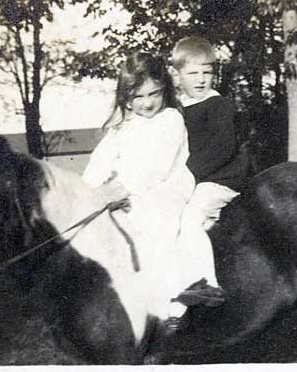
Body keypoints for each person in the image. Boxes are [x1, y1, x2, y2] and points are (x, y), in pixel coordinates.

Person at [82, 52, 210, 332]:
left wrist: (126, 190)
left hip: (167, 186)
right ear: (126, 98)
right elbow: (100, 162)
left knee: (156, 225)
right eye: (138, 97)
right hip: (129, 191)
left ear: (164, 89)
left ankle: (173, 305)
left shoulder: (170, 119)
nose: (148, 102)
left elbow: (158, 166)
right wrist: (89, 191)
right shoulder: (124, 128)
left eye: (154, 93)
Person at [170, 36, 248, 307]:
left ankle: (209, 284)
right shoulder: (175, 110)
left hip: (221, 177)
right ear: (176, 75)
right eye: (192, 73)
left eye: (207, 72)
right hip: (195, 179)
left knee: (191, 218)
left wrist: (185, 178)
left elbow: (222, 148)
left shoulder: (218, 105)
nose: (201, 79)